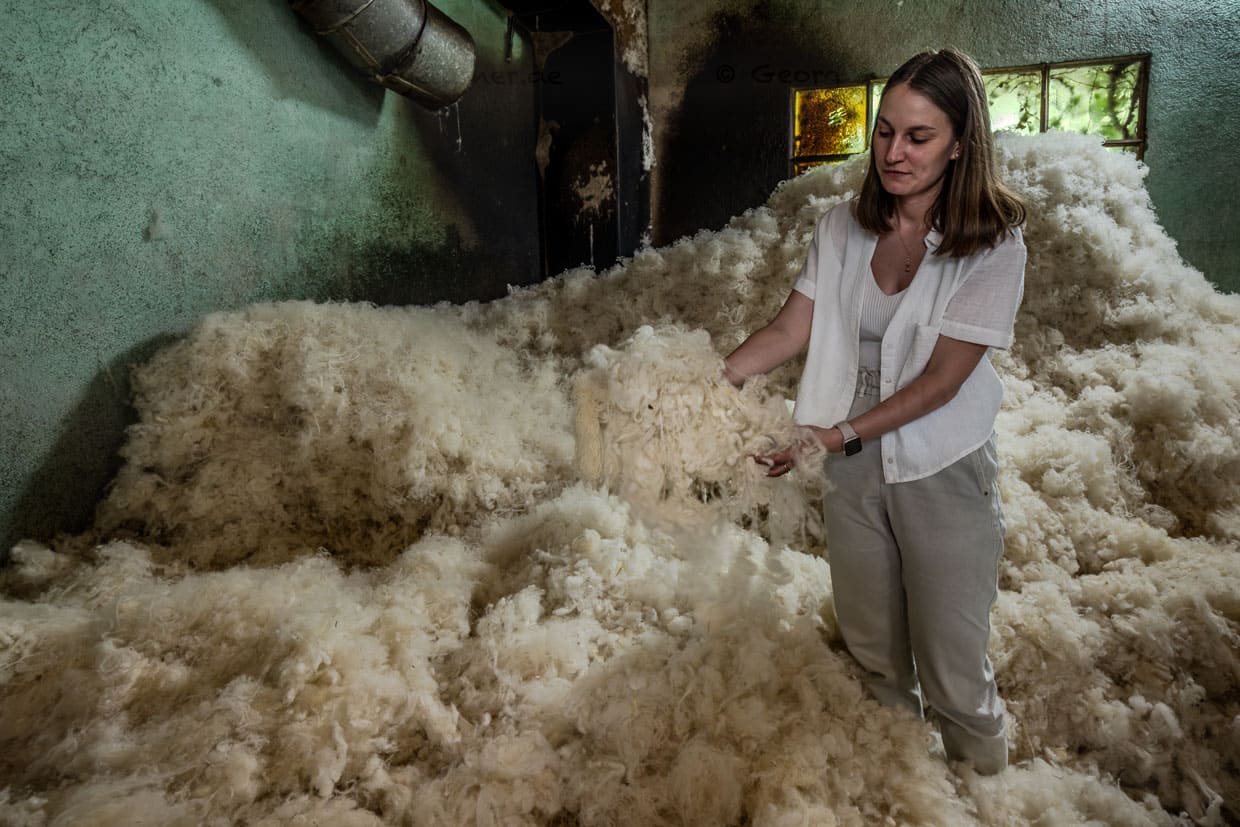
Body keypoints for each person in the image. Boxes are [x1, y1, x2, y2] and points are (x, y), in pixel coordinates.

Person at [723, 46, 1026, 775]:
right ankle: (905, 792)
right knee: (873, 653)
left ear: (960, 143)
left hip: (939, 460)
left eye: (918, 136)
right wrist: (716, 381)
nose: (894, 151)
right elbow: (791, 328)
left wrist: (835, 433)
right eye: (885, 130)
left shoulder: (992, 244)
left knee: (953, 665)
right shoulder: (841, 228)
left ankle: (985, 794)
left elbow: (944, 381)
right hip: (849, 460)